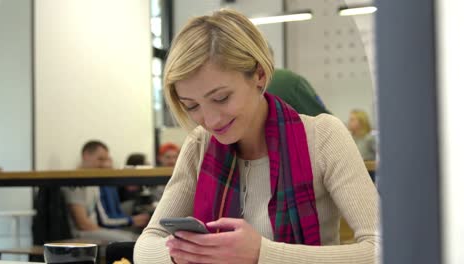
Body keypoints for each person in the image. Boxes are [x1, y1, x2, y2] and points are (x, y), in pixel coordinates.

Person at [134, 9, 379, 264]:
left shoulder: (323, 136)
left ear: (260, 76)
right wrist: (187, 254)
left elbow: (383, 249)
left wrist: (263, 254)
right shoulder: (199, 144)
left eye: (221, 98)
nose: (211, 120)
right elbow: (145, 248)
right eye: (191, 106)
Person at [62, 141, 147, 242]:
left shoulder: (93, 182)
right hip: (82, 234)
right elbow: (83, 224)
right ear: (85, 156)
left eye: (106, 160)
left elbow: (102, 218)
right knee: (132, 240)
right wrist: (113, 231)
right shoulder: (75, 183)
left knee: (136, 237)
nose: (104, 164)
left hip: (96, 229)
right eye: (100, 159)